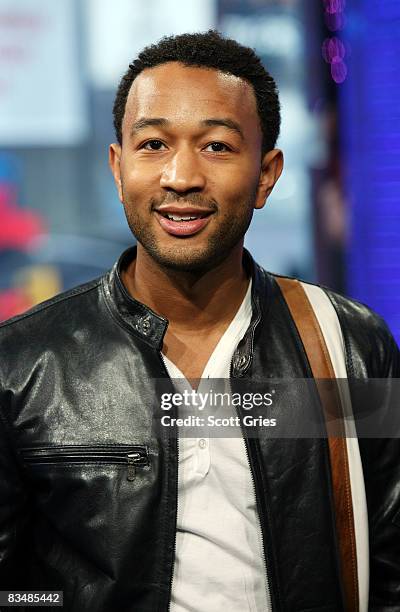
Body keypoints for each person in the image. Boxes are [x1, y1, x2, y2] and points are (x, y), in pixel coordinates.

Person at [0, 30, 398, 612]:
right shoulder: (25, 364)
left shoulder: (349, 346)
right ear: (118, 166)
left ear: (266, 174)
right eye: (154, 144)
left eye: (216, 146)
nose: (180, 177)